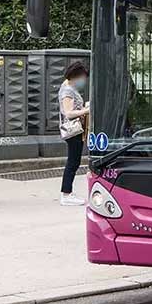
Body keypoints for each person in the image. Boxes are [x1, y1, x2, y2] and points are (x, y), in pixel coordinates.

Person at [58, 60, 90, 205]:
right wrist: (86, 110)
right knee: (73, 162)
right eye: (83, 77)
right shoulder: (68, 91)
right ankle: (66, 194)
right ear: (76, 76)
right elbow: (68, 113)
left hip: (75, 130)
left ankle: (67, 193)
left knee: (73, 161)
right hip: (73, 130)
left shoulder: (67, 87)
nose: (84, 81)